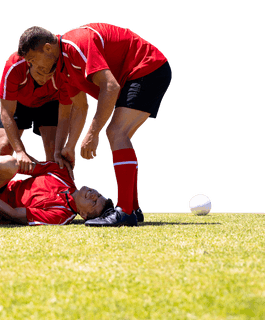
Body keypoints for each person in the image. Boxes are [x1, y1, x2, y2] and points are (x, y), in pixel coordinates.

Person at [16, 23, 173, 227]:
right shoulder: (62, 68)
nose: (33, 67)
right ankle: (132, 207)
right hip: (137, 74)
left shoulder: (75, 45)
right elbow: (80, 108)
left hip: (147, 67)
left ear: (47, 48)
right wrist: (69, 147)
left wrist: (92, 133)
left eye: (33, 60)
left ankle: (125, 212)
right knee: (119, 135)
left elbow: (110, 86)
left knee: (116, 132)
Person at [0, 52, 73, 175]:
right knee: (4, 147)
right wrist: (20, 151)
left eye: (48, 74)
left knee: (56, 157)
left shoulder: (63, 72)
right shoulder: (14, 65)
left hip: (50, 102)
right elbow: (6, 112)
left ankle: (57, 191)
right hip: (19, 101)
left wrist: (59, 151)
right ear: (29, 62)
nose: (43, 79)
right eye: (39, 72)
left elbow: (65, 116)